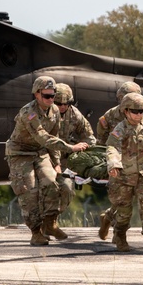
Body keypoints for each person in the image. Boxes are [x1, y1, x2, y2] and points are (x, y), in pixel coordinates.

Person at [6, 76, 89, 246]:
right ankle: (36, 232)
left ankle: (50, 224)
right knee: (29, 190)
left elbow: (54, 136)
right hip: (21, 153)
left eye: (53, 95)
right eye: (47, 96)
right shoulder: (28, 112)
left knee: (52, 183)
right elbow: (43, 137)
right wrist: (71, 148)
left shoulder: (55, 111)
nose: (51, 99)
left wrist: (56, 162)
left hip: (40, 152)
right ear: (37, 94)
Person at [106, 92, 143, 254]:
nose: (139, 115)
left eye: (142, 111)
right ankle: (120, 235)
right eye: (135, 111)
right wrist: (114, 164)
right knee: (124, 211)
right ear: (126, 111)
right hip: (124, 177)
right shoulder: (120, 129)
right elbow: (112, 148)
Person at [95, 81, 143, 240]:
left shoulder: (142, 117)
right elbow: (101, 143)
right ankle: (118, 232)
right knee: (123, 199)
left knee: (129, 198)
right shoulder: (109, 116)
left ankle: (108, 219)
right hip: (116, 160)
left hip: (134, 162)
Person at [53, 83, 96, 227]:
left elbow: (89, 137)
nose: (63, 107)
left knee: (67, 189)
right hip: (43, 157)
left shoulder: (74, 114)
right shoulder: (43, 114)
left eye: (67, 103)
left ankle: (51, 220)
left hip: (64, 160)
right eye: (59, 103)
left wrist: (84, 153)